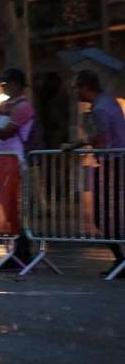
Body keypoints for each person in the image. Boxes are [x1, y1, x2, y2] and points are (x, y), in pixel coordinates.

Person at [69, 69, 125, 274]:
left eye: (76, 88)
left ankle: (120, 260)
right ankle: (120, 260)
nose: (74, 93)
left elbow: (100, 139)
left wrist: (76, 144)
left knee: (103, 215)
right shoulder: (108, 102)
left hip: (113, 163)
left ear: (85, 88)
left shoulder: (100, 109)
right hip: (115, 161)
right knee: (113, 213)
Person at [0, 68, 39, 267]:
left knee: (14, 209)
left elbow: (4, 133)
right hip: (0, 161)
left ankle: (22, 253)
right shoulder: (4, 105)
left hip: (13, 162)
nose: (3, 87)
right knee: (7, 210)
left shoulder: (23, 107)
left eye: (6, 83)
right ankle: (15, 252)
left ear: (17, 84)